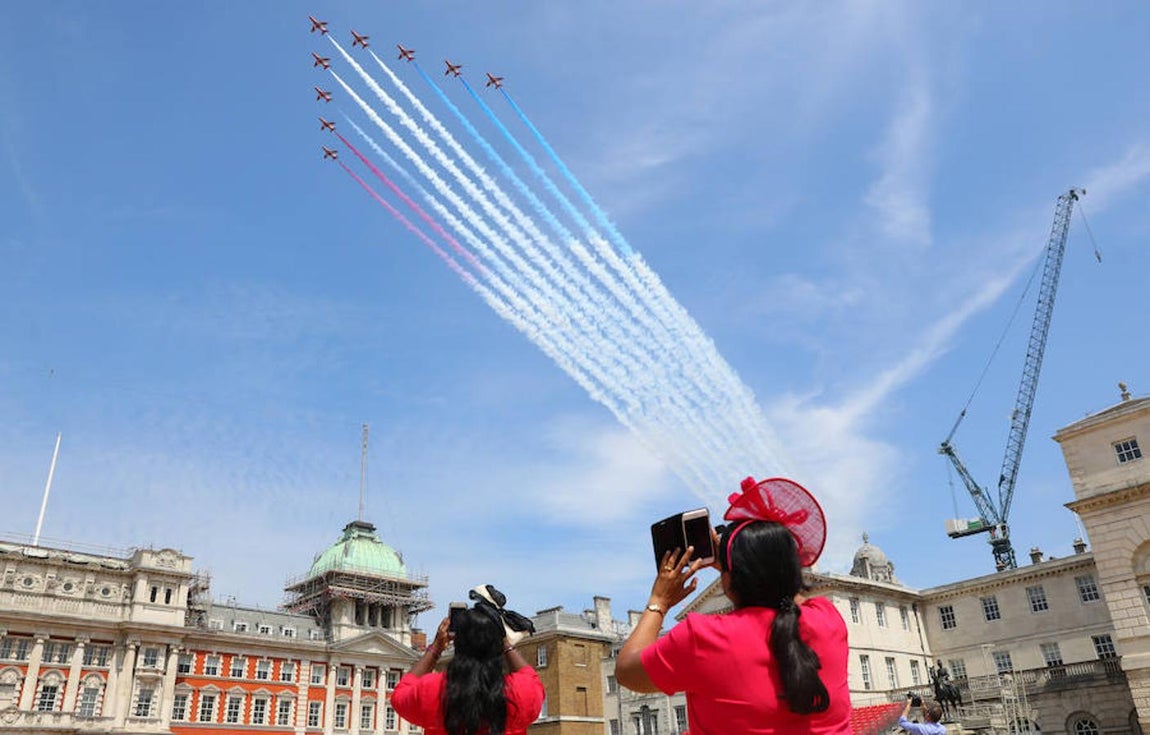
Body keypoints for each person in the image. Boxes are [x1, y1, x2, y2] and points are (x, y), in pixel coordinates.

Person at [615, 476, 851, 735]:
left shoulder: (703, 638)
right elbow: (787, 594)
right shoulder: (829, 619)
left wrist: (659, 601)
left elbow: (627, 671)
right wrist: (738, 564)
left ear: (728, 579)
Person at [391, 587, 544, 735]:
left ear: (457, 641)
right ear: (497, 643)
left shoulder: (433, 689)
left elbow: (400, 695)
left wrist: (436, 648)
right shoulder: (519, 693)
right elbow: (531, 677)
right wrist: (505, 643)